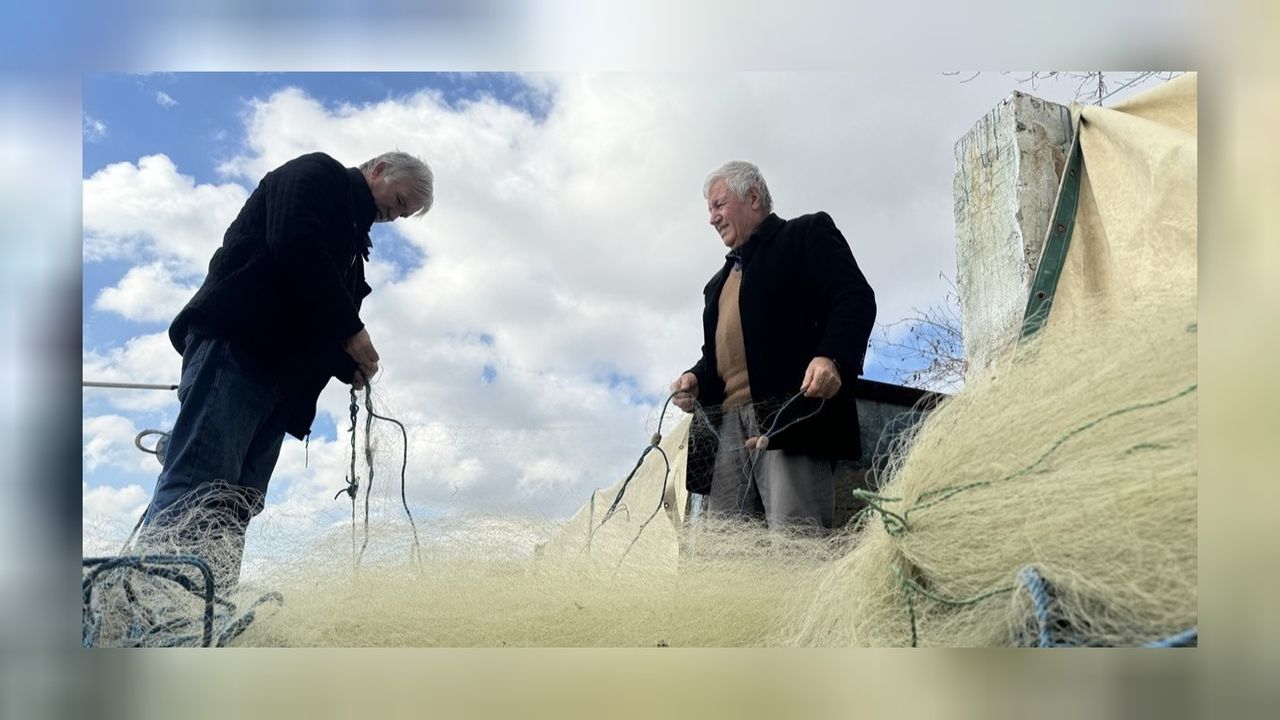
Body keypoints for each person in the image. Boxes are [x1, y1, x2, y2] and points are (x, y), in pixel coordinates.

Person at [138, 150, 434, 588]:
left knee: (236, 503)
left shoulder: (352, 244)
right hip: (239, 349)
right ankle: (149, 608)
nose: (399, 214)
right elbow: (293, 242)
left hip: (278, 382)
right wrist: (351, 328)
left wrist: (343, 364)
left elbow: (312, 314)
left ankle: (204, 608)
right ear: (379, 170)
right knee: (201, 481)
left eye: (407, 213)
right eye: (402, 200)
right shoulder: (319, 174)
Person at [672, 160, 875, 530]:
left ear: (752, 197)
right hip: (727, 430)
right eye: (710, 210)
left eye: (719, 205)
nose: (712, 219)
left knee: (795, 544)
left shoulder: (804, 234)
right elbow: (713, 357)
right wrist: (694, 379)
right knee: (723, 552)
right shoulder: (716, 285)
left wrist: (831, 356)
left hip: (791, 418)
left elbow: (854, 297)